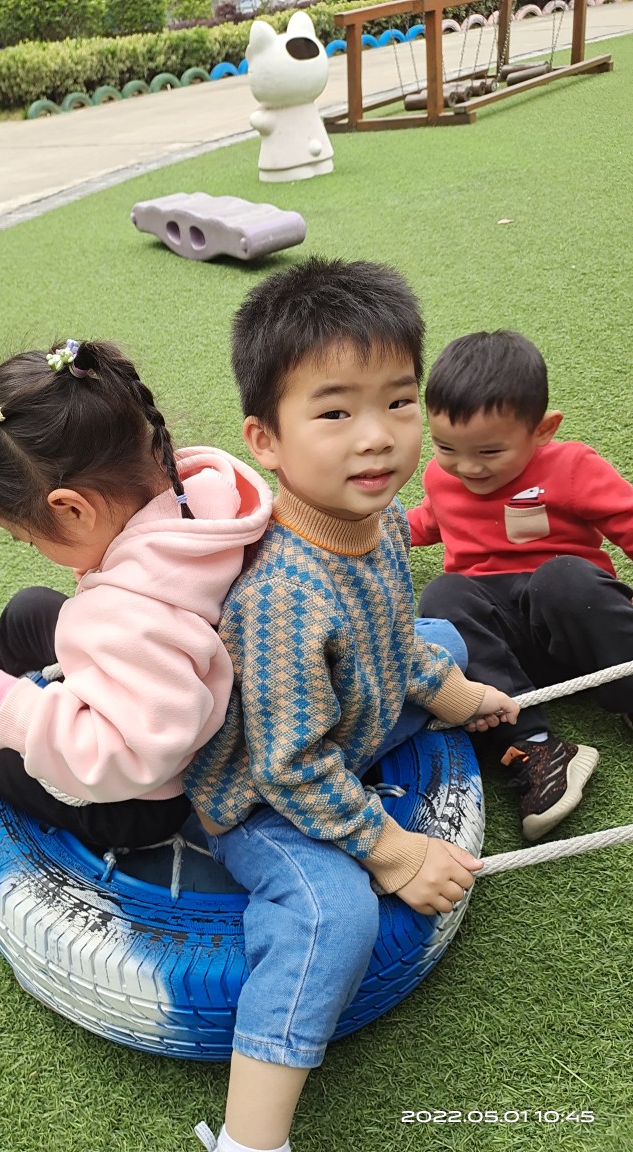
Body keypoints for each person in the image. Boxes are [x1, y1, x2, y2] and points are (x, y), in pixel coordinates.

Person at [185, 259, 520, 1152]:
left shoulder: (376, 519)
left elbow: (396, 639)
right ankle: (251, 1140)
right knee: (335, 913)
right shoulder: (283, 597)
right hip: (263, 797)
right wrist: (396, 852)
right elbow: (289, 770)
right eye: (334, 413)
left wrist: (456, 695)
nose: (377, 438)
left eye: (399, 402)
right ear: (266, 439)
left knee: (445, 646)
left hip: (341, 718)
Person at [0, 338, 272, 894]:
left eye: (28, 537)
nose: (34, 548)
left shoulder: (128, 617)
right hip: (162, 686)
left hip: (136, 796)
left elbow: (133, 754)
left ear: (72, 509)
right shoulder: (198, 493)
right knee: (29, 610)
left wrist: (11, 712)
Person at [408, 329, 633, 841]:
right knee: (444, 594)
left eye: (489, 451)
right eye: (446, 447)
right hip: (502, 649)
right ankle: (536, 748)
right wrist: (382, 531)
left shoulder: (570, 466)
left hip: (578, 628)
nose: (467, 468)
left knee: (561, 577)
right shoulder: (444, 478)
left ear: (542, 430)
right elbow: (429, 520)